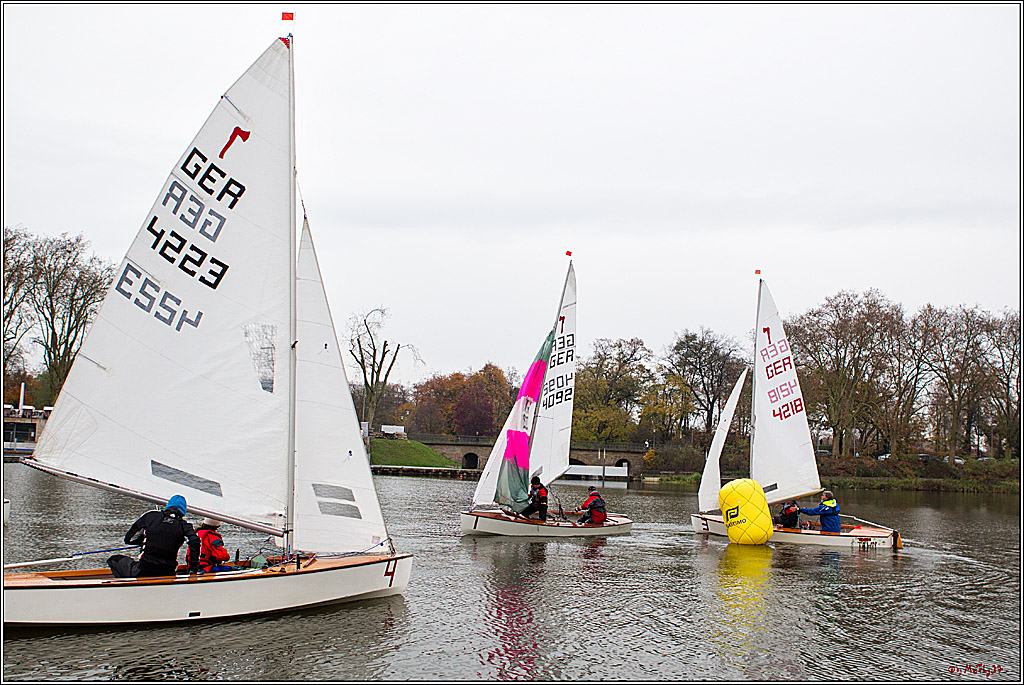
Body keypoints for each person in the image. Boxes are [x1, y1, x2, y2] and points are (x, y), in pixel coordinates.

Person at [107, 494, 200, 578]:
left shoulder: (151, 516)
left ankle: (128, 589)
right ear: (183, 512)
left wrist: (145, 541)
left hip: (145, 569)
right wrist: (193, 569)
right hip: (168, 571)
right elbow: (195, 541)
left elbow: (129, 539)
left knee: (113, 560)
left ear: (168, 506)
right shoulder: (184, 525)